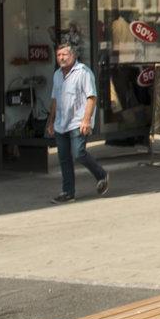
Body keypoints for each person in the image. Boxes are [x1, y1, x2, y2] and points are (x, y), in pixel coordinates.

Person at [47, 41, 109, 204]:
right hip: (61, 123)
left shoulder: (83, 73)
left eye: (64, 55)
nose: (61, 58)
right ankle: (68, 192)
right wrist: (50, 121)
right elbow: (54, 100)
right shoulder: (57, 75)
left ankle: (101, 174)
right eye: (59, 55)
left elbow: (92, 97)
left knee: (78, 153)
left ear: (73, 55)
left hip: (78, 122)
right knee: (64, 159)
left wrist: (87, 120)